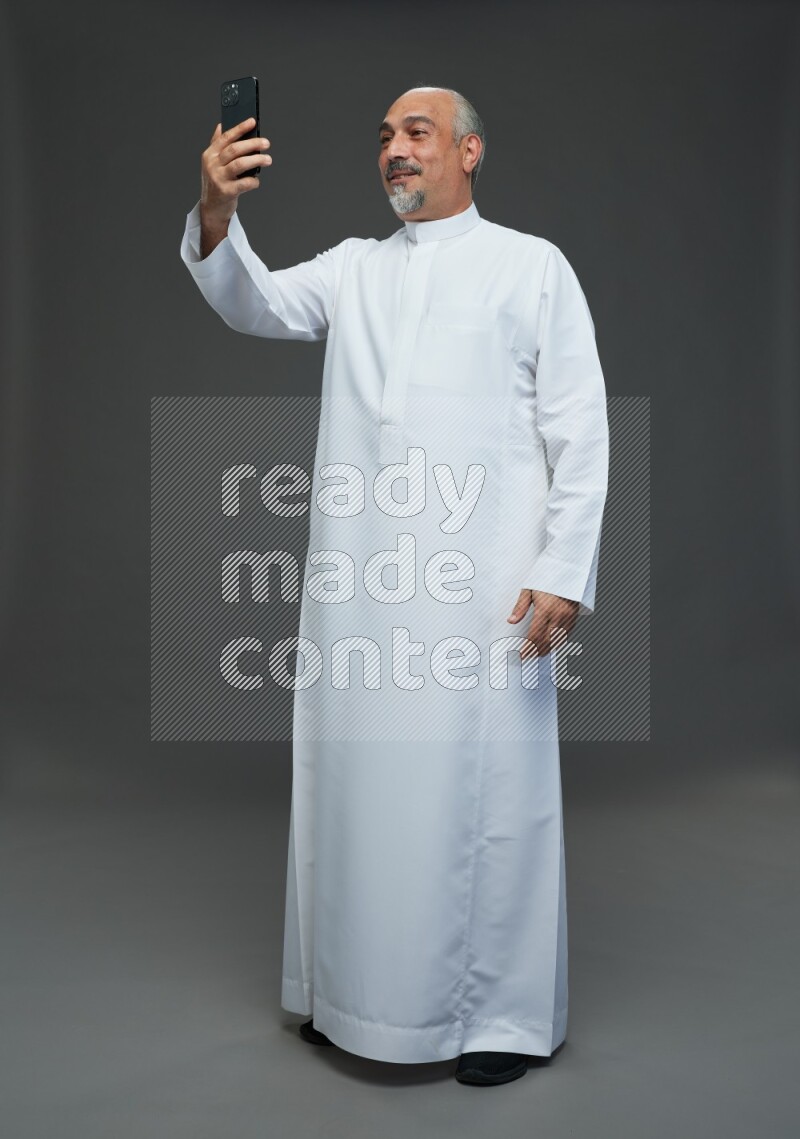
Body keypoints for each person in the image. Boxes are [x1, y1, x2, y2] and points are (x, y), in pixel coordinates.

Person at [180, 86, 609, 1087]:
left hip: (485, 594)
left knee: (488, 797)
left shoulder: (529, 265)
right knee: (354, 790)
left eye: (415, 133)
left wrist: (561, 571)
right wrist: (215, 211)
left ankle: (495, 1015)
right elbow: (257, 300)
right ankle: (346, 995)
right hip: (362, 588)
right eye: (383, 137)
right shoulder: (354, 269)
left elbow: (578, 428)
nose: (394, 151)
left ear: (469, 150)